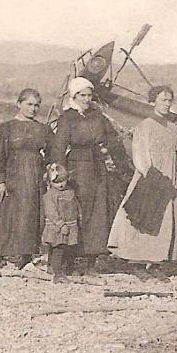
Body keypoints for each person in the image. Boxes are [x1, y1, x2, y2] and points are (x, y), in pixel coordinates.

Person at [108, 85, 177, 281]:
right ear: (152, 102)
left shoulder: (172, 128)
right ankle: (137, 263)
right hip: (151, 178)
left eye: (169, 100)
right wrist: (152, 177)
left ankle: (156, 262)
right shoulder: (145, 125)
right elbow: (140, 154)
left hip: (170, 176)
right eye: (162, 100)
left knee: (168, 220)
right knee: (144, 217)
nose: (166, 104)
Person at [50, 77, 129, 276]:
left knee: (97, 213)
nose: (86, 99)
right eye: (82, 95)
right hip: (77, 167)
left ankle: (90, 262)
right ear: (74, 96)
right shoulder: (67, 117)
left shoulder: (97, 116)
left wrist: (123, 167)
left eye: (89, 95)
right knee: (76, 213)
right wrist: (58, 172)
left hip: (97, 167)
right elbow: (59, 146)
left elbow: (113, 141)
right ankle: (69, 262)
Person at [0, 88, 51, 279]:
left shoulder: (43, 129)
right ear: (19, 104)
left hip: (34, 178)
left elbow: (52, 153)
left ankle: (25, 259)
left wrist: (47, 170)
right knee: (5, 218)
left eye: (36, 105)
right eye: (29, 104)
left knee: (31, 216)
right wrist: (0, 181)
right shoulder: (7, 128)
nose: (33, 109)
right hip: (13, 178)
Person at [42, 164, 80, 283]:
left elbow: (75, 205)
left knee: (68, 249)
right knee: (57, 249)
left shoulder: (70, 192)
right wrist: (60, 224)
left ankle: (64, 268)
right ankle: (57, 274)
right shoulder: (51, 195)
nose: (61, 184)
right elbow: (50, 211)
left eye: (63, 180)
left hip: (71, 224)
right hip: (58, 227)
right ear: (50, 183)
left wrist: (79, 215)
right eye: (57, 182)